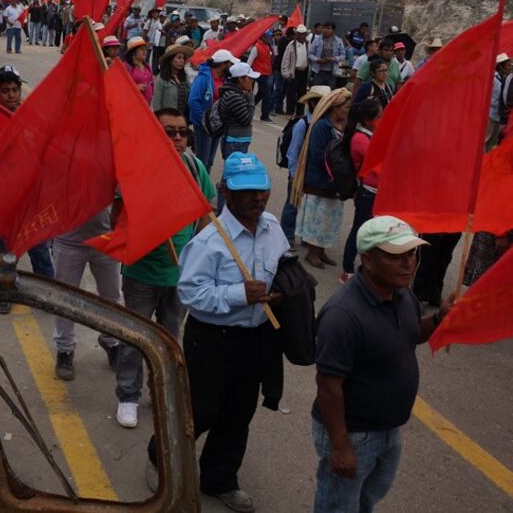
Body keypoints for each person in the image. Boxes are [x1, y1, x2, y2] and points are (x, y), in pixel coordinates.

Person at [156, 152, 290, 513]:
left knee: (238, 412)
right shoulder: (209, 241)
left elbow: (284, 267)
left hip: (255, 339)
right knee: (200, 410)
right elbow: (190, 293)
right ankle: (162, 458)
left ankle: (219, 479)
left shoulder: (273, 227)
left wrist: (279, 293)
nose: (257, 197)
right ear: (226, 192)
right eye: (247, 191)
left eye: (262, 189)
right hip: (212, 340)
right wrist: (238, 294)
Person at [313, 216, 453, 513]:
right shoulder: (342, 316)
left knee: (366, 500)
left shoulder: (403, 295)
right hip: (353, 433)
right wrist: (340, 447)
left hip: (388, 429)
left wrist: (440, 318)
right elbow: (328, 385)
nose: (408, 263)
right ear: (368, 259)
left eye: (412, 253)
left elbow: (412, 333)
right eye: (395, 256)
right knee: (338, 506)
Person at [114, 107, 216, 428]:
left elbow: (206, 206)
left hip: (179, 276)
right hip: (141, 273)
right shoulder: (135, 170)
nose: (176, 138)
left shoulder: (195, 167)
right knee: (135, 337)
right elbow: (117, 216)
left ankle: (158, 390)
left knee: (169, 339)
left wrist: (193, 252)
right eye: (168, 131)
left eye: (182, 132)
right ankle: (127, 396)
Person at [0, 66, 55, 314]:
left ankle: (48, 292)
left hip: (30, 197)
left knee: (38, 247)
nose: (10, 95)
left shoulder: (31, 118)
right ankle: (2, 290)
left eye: (14, 90)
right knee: (0, 248)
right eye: (5, 90)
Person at [51, 205, 123, 383]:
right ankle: (65, 349)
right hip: (68, 240)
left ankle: (111, 340)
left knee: (111, 297)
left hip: (106, 237)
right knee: (64, 299)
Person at [292, 88, 352, 269]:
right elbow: (317, 154)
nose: (348, 111)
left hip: (335, 181)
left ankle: (322, 250)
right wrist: (335, 170)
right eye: (346, 107)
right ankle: (313, 252)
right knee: (317, 217)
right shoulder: (321, 126)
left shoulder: (344, 126)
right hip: (320, 180)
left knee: (330, 218)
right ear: (335, 108)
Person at [281, 86, 331, 245]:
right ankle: (286, 236)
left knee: (308, 206)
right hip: (299, 171)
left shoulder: (323, 124)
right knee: (292, 204)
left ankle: (305, 236)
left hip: (311, 172)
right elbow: (293, 151)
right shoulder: (303, 123)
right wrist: (293, 173)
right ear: (314, 104)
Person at [340, 99, 383, 284]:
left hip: (377, 191)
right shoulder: (360, 138)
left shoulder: (372, 135)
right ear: (367, 119)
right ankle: (347, 269)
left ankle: (367, 268)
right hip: (367, 191)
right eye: (379, 116)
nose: (382, 119)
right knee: (359, 230)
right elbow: (378, 163)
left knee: (375, 233)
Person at [215, 62, 260, 211]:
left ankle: (225, 207)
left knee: (231, 175)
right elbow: (246, 118)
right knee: (231, 177)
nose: (252, 81)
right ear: (240, 79)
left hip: (238, 141)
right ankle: (223, 209)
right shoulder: (233, 96)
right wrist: (251, 99)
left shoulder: (236, 93)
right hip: (235, 142)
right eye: (249, 78)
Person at [189, 49, 238, 171]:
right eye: (229, 64)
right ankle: (198, 187)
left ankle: (204, 188)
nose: (231, 67)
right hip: (204, 127)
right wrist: (204, 120)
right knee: (202, 162)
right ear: (223, 64)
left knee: (210, 161)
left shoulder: (224, 79)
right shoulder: (204, 78)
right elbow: (193, 100)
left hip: (217, 126)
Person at [152, 44, 193, 117]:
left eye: (183, 58)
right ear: (170, 60)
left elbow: (191, 94)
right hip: (167, 120)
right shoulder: (161, 79)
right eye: (179, 58)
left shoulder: (184, 77)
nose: (182, 61)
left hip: (182, 119)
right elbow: (156, 104)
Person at [280, 24, 311, 114]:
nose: (301, 36)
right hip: (294, 72)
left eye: (303, 34)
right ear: (296, 34)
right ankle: (290, 111)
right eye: (299, 34)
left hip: (304, 72)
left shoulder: (308, 44)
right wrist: (286, 74)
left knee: (302, 94)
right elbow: (285, 60)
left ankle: (299, 113)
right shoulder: (291, 45)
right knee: (292, 94)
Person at [487, 53, 513, 150]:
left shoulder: (504, 78)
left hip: (497, 114)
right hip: (491, 114)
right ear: (501, 67)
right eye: (508, 65)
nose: (510, 67)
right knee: (486, 139)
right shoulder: (493, 78)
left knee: (493, 142)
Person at [308, 22, 345, 88]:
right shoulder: (317, 40)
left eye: (328, 29)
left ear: (333, 30)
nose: (325, 30)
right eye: (324, 28)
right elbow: (310, 54)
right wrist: (317, 59)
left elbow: (343, 55)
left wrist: (334, 58)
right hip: (318, 71)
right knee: (317, 93)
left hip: (332, 72)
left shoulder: (338, 41)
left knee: (329, 93)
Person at [123, 37, 154, 103]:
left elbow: (151, 83)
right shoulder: (126, 67)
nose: (145, 52)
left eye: (145, 49)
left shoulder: (147, 66)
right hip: (134, 104)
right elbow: (121, 86)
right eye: (141, 49)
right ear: (133, 52)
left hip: (147, 104)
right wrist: (135, 87)